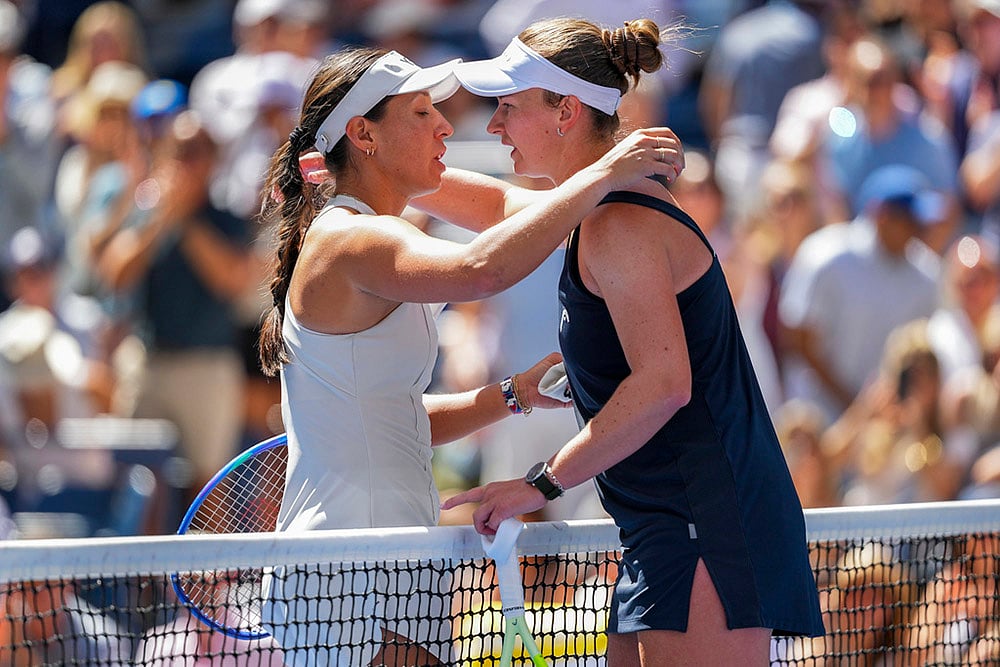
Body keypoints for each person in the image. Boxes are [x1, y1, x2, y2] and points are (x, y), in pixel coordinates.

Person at [255, 46, 682, 666]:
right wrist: (603, 172)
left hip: (394, 563)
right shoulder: (351, 240)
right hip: (345, 568)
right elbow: (482, 269)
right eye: (423, 113)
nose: (448, 126)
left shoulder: (365, 229)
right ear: (363, 135)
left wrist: (513, 396)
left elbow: (392, 423)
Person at [440, 16, 824, 667]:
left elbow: (663, 384)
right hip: (666, 525)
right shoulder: (595, 209)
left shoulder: (618, 223)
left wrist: (541, 484)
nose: (494, 125)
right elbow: (501, 213)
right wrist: (368, 175)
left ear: (565, 110)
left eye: (509, 106)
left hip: (706, 525)